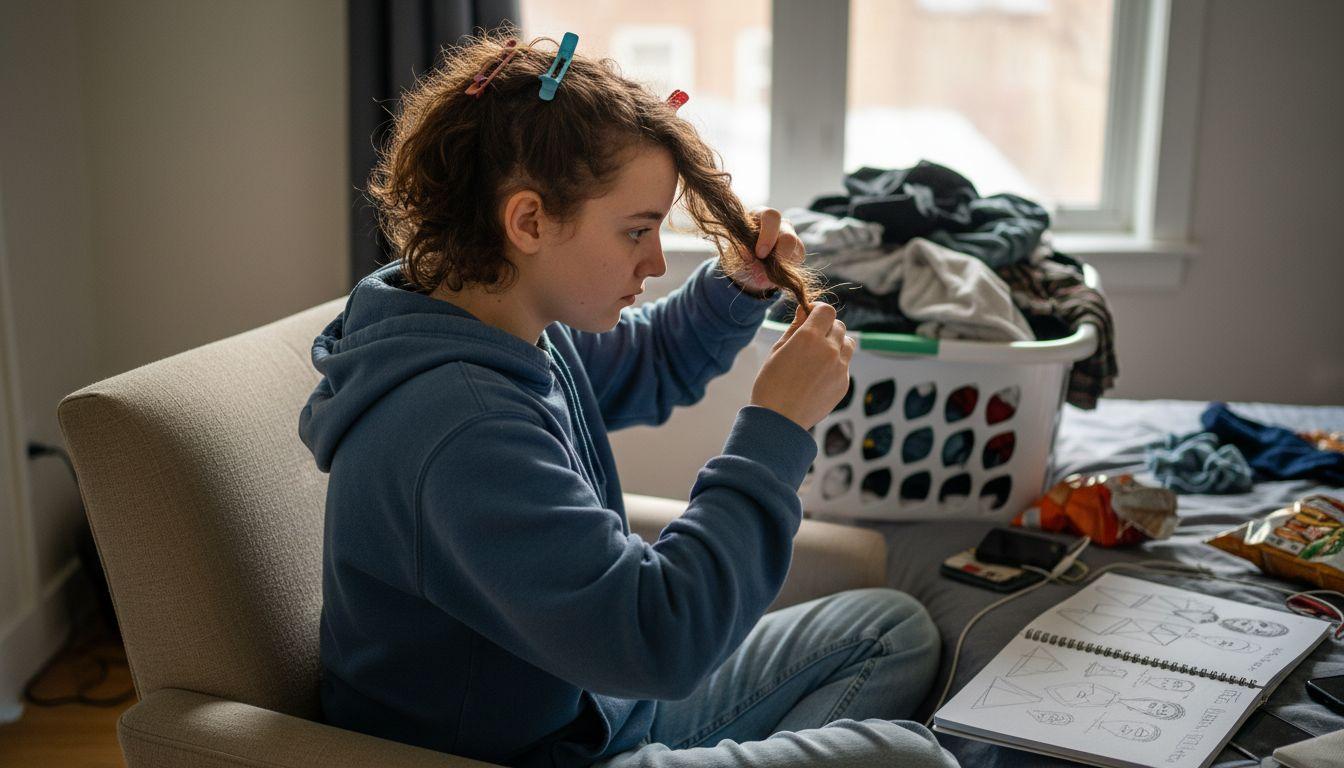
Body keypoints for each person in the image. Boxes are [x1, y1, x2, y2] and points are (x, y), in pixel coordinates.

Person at [299, 32, 955, 768]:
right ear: (528, 221)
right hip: (545, 752)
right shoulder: (461, 430)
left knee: (891, 630)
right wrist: (776, 428)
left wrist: (737, 285)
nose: (657, 260)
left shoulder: (498, 318)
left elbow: (645, 361)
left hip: (602, 710)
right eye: (637, 230)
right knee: (914, 759)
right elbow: (659, 639)